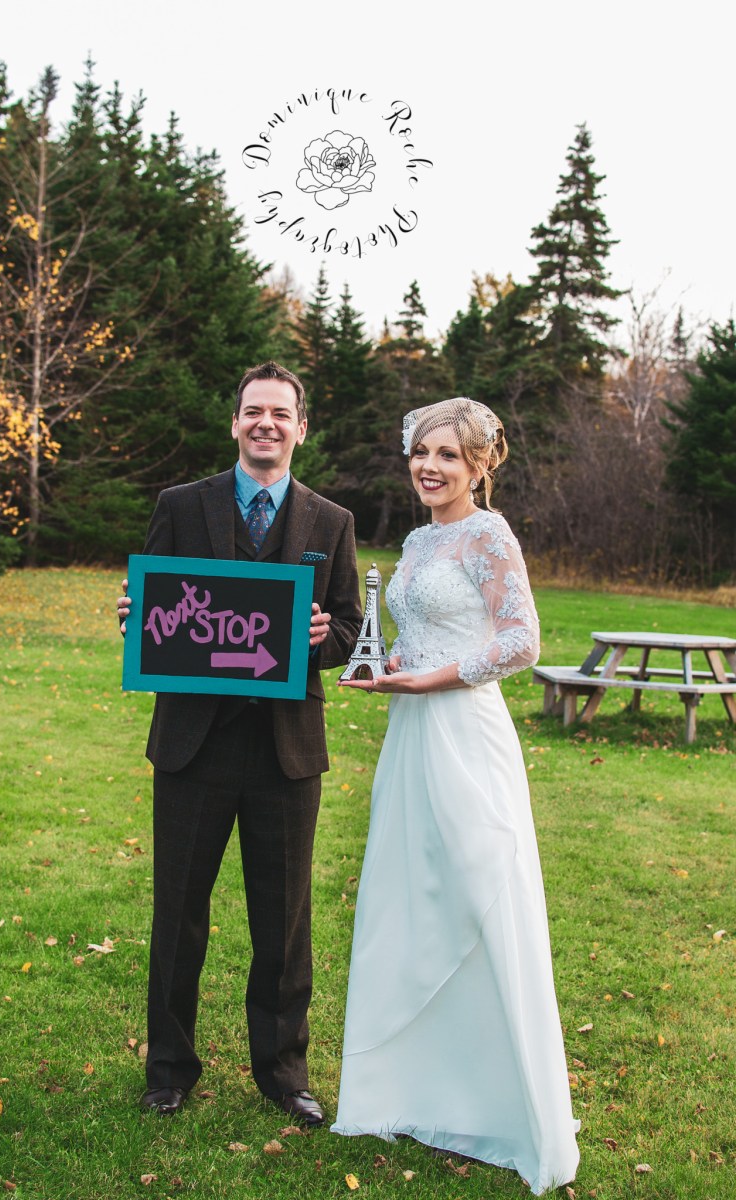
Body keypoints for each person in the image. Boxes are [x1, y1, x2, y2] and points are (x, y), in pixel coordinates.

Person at [331, 397, 580, 1194]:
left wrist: (430, 679)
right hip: (410, 739)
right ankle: (411, 1090)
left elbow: (521, 641)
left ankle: (503, 1106)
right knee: (411, 903)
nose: (429, 467)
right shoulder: (418, 541)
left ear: (479, 465)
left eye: (447, 455)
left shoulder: (489, 535)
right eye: (421, 452)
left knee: (478, 897)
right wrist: (388, 663)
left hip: (466, 734)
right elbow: (416, 633)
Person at [118, 361, 362, 1124]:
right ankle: (169, 1071)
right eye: (254, 410)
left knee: (283, 922)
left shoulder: (331, 522)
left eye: (280, 414)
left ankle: (284, 1074)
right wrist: (137, 619)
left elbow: (351, 630)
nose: (266, 423)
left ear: (300, 429)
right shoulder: (180, 506)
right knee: (178, 915)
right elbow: (155, 613)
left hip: (286, 752)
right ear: (235, 423)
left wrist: (324, 636)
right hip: (193, 745)